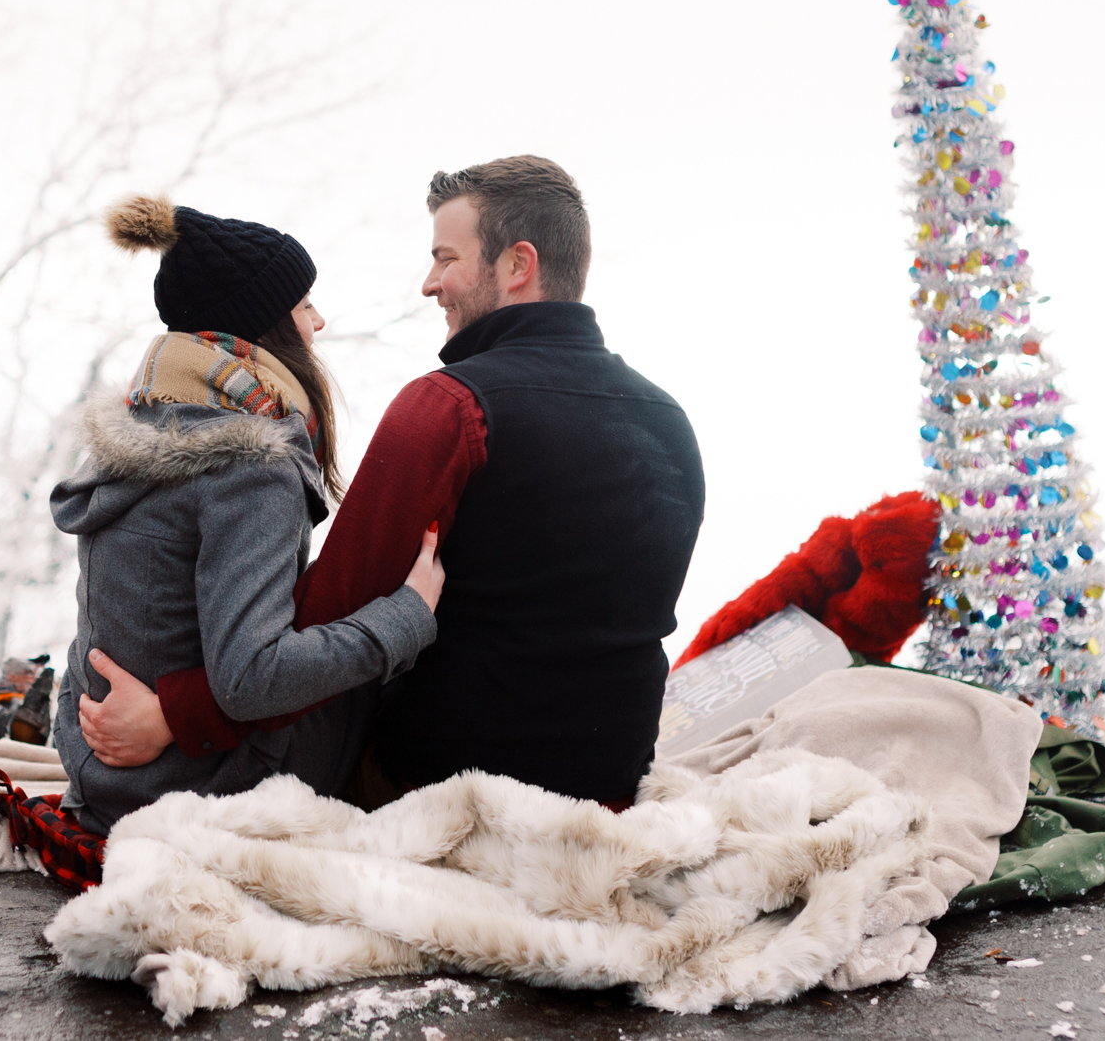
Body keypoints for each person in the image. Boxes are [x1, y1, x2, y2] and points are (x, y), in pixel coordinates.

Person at [82, 156, 705, 809]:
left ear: (519, 264)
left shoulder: (452, 408)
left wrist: (173, 715)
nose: (429, 284)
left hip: (449, 791)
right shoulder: (670, 422)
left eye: (445, 257)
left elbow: (329, 611)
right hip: (608, 786)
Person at [51, 194, 445, 837]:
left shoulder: (144, 427)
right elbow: (253, 679)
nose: (319, 322)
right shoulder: (250, 465)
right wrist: (406, 615)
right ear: (263, 328)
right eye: (304, 304)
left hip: (101, 779)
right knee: (396, 665)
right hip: (200, 793)